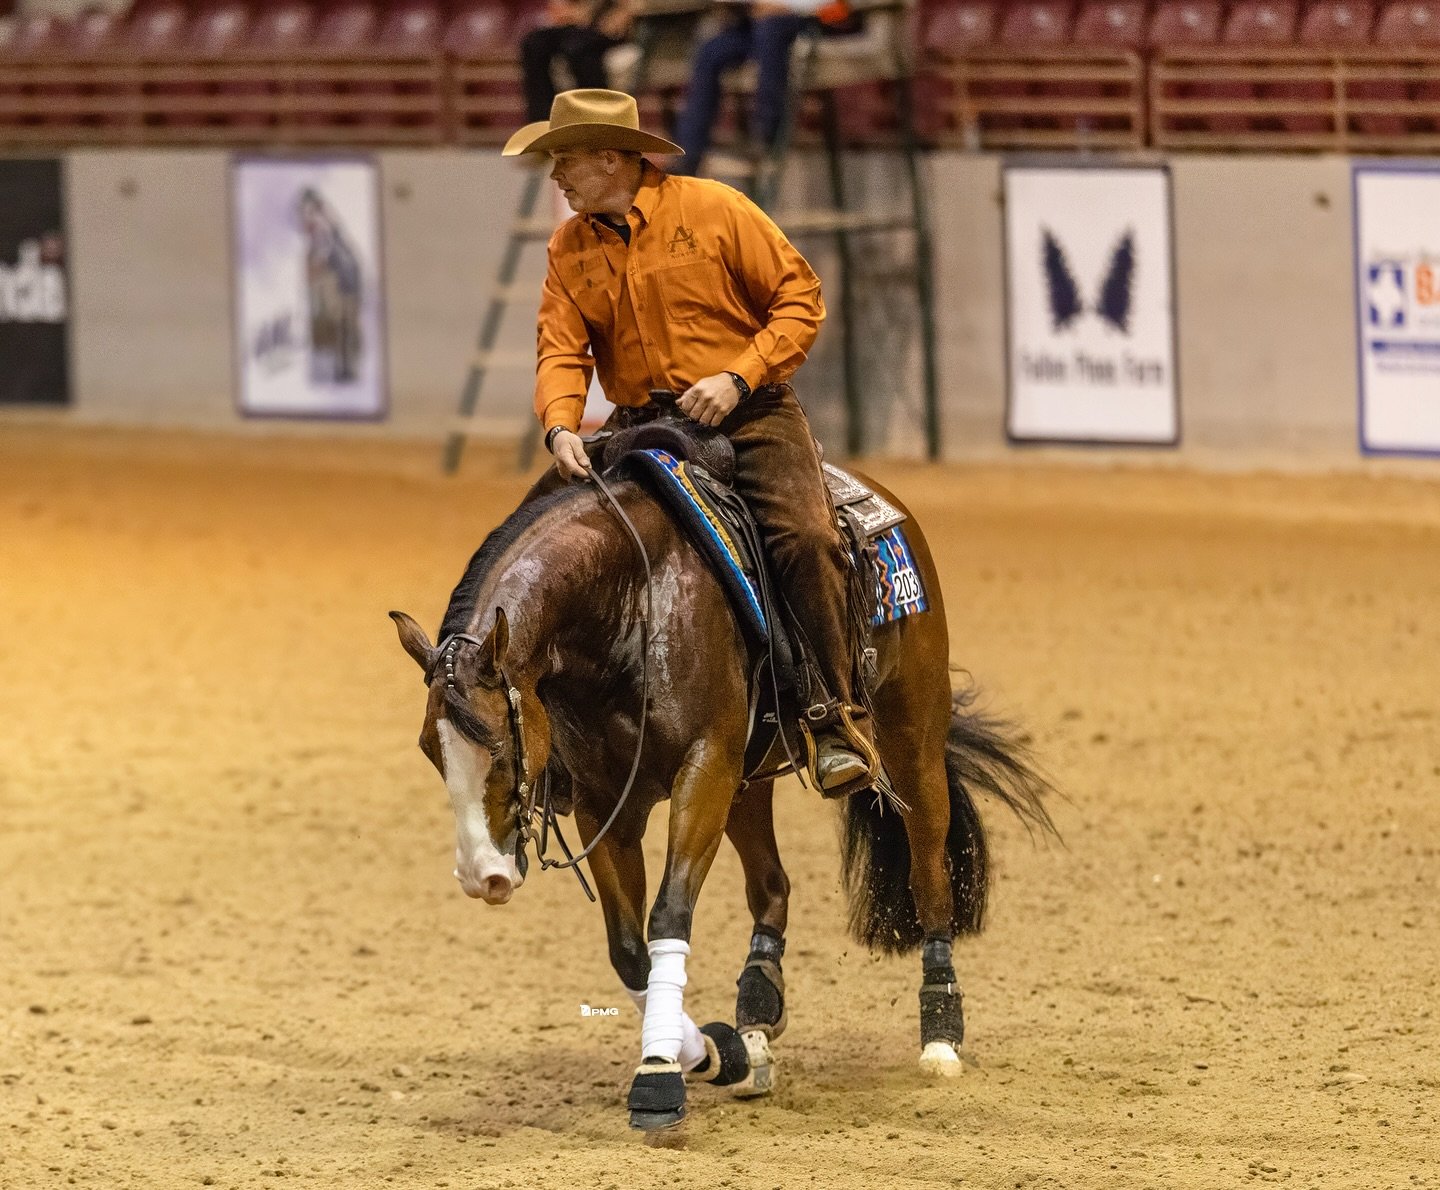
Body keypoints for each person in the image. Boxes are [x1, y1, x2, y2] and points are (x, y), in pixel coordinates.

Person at [502, 87, 881, 798]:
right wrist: (559, 422)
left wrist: (738, 378)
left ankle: (833, 717)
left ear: (610, 159)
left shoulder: (716, 211)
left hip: (749, 414)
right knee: (531, 541)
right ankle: (549, 732)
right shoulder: (570, 245)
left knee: (804, 536)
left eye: (566, 161)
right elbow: (561, 345)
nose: (556, 176)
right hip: (640, 423)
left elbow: (800, 300)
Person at [670, 0, 848, 177]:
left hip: (811, 20)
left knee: (769, 30)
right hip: (756, 23)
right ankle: (688, 157)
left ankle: (767, 136)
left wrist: (785, 7)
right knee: (710, 52)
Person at [520, 0, 635, 124]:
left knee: (577, 49)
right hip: (578, 22)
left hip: (606, 25)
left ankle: (595, 111)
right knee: (533, 44)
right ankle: (543, 119)